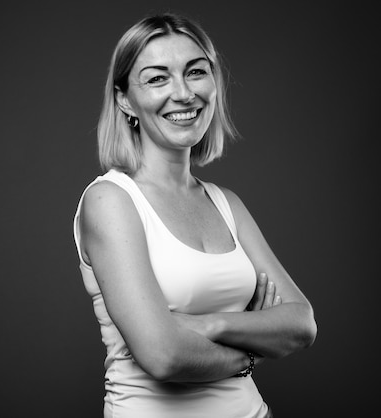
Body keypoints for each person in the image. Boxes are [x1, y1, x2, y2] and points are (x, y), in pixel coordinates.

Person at [72, 12, 317, 418]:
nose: (183, 93)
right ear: (124, 99)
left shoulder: (226, 203)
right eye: (157, 78)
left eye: (196, 72)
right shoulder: (110, 201)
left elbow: (302, 323)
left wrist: (208, 326)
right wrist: (253, 345)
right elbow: (163, 356)